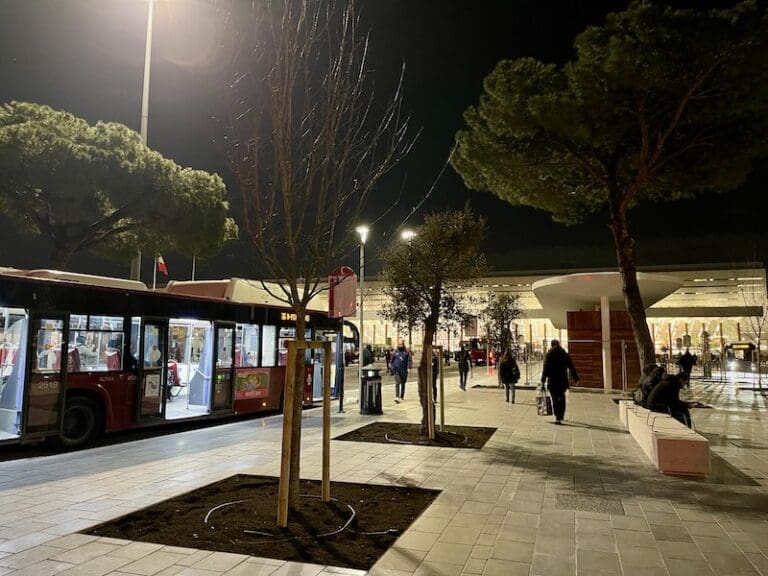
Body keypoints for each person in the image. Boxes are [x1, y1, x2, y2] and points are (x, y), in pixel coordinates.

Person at [540, 339, 579, 424]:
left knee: (554, 399)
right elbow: (571, 366)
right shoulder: (564, 354)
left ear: (551, 345)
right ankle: (561, 415)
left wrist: (543, 380)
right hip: (562, 380)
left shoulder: (549, 354)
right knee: (562, 398)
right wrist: (576, 378)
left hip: (553, 380)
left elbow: (545, 368)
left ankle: (557, 417)